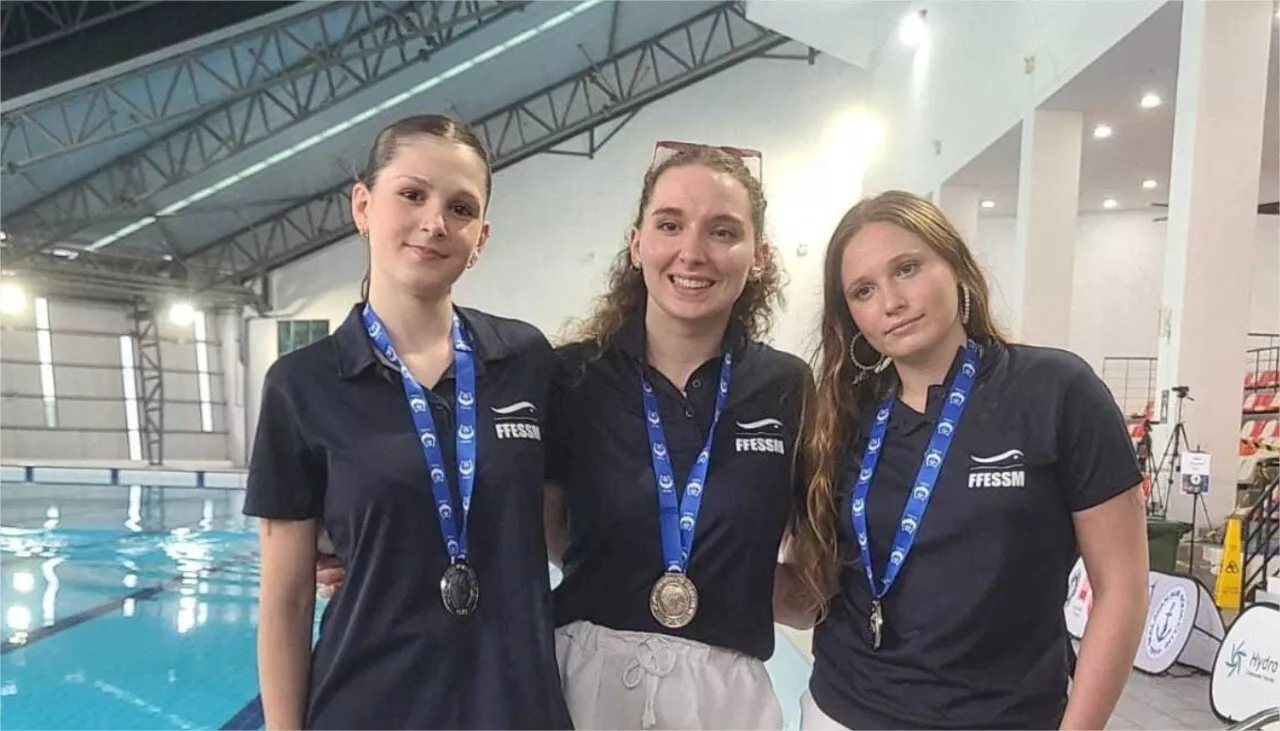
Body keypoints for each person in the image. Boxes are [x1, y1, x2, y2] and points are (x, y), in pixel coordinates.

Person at [246, 114, 572, 730]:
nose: (434, 222)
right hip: (366, 706)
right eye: (412, 194)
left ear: (481, 238)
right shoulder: (301, 386)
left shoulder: (526, 360)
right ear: (363, 206)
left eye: (461, 208)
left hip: (516, 709)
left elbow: (566, 530)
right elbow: (285, 602)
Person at [780, 190, 1150, 731]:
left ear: (954, 262)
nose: (891, 301)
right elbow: (813, 592)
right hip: (841, 711)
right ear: (851, 316)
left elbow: (1122, 587)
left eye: (906, 268)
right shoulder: (842, 419)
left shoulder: (1056, 391)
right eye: (863, 290)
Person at [544, 142, 812, 730]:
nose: (692, 253)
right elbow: (524, 517)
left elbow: (820, 547)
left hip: (725, 695)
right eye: (670, 225)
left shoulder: (788, 385)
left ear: (759, 256)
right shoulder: (570, 377)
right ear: (637, 243)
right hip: (582, 679)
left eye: (723, 231)